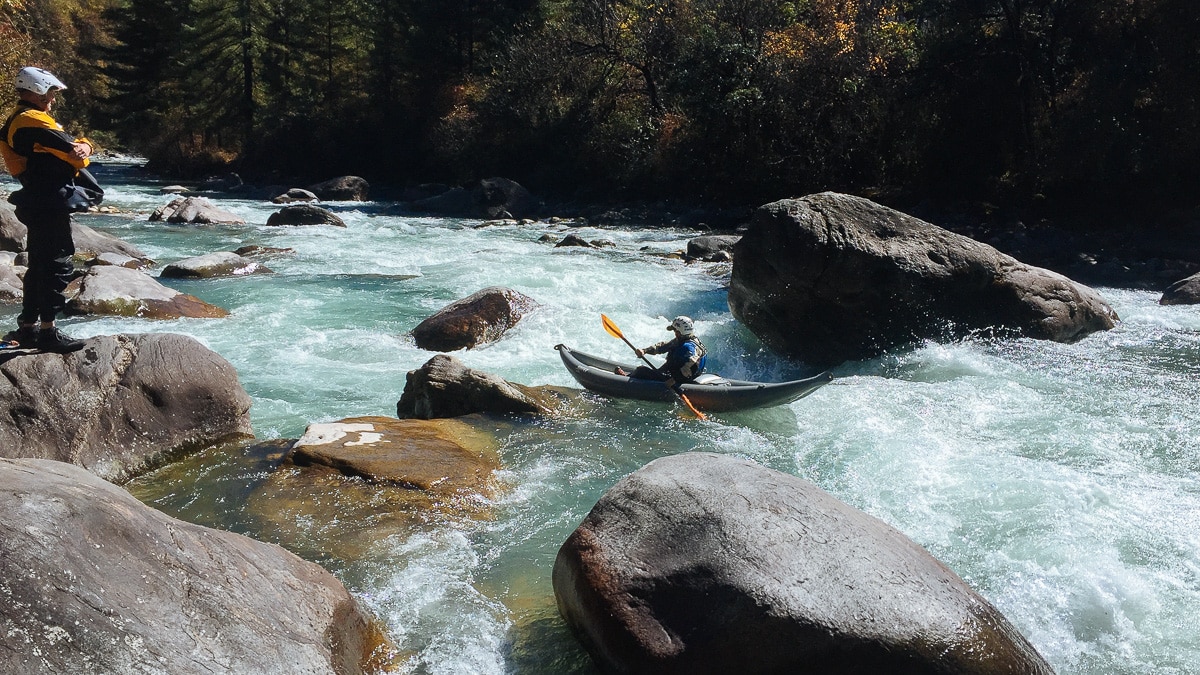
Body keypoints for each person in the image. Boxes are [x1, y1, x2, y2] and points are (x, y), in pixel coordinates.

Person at [0, 66, 97, 352]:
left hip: (37, 198)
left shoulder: (21, 118)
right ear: (37, 90)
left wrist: (86, 146)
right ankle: (48, 331)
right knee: (57, 262)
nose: (52, 99)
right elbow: (76, 155)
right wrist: (87, 147)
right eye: (50, 93)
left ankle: (28, 327)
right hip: (48, 200)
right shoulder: (32, 120)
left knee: (38, 263)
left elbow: (75, 149)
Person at [628, 315, 708, 392]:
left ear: (680, 332)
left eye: (675, 331)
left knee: (641, 370)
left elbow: (692, 367)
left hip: (678, 378)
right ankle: (627, 375)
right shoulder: (686, 340)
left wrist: (674, 380)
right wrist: (644, 351)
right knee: (651, 371)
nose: (674, 333)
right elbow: (662, 347)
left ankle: (625, 377)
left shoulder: (688, 347)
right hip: (674, 374)